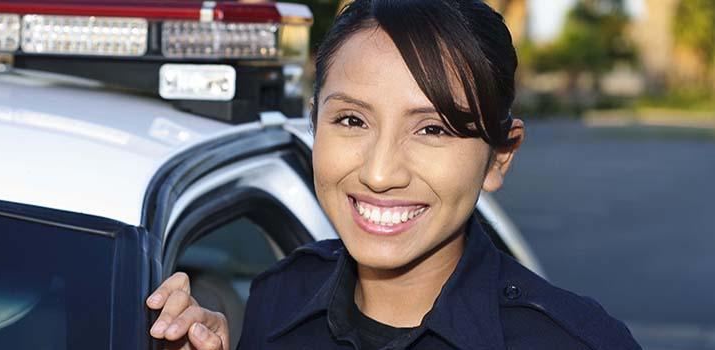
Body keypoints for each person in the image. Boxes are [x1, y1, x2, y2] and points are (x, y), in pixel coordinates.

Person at [145, 0, 643, 349]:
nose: (380, 174)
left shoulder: (575, 343)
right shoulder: (277, 300)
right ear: (314, 123)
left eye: (432, 129)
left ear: (498, 157)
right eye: (352, 120)